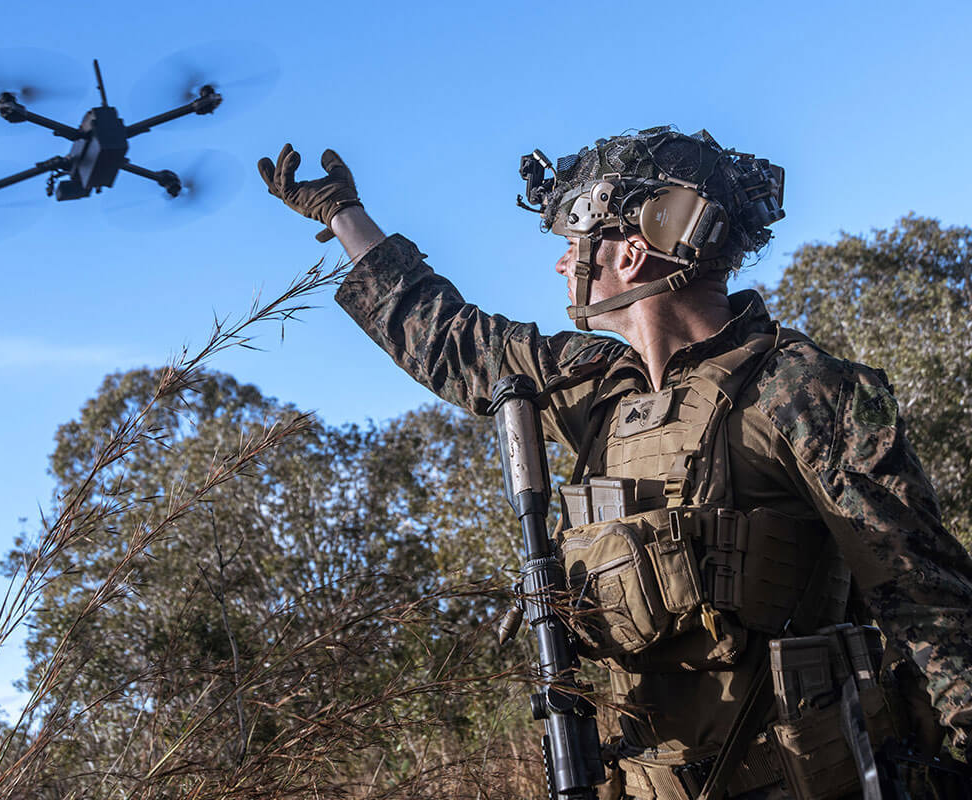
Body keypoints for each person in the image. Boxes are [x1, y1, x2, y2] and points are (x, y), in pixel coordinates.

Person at [258, 128, 972, 799]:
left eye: (576, 239)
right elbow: (451, 339)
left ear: (631, 253)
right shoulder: (594, 381)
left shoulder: (807, 389)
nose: (564, 261)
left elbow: (930, 605)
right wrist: (345, 215)